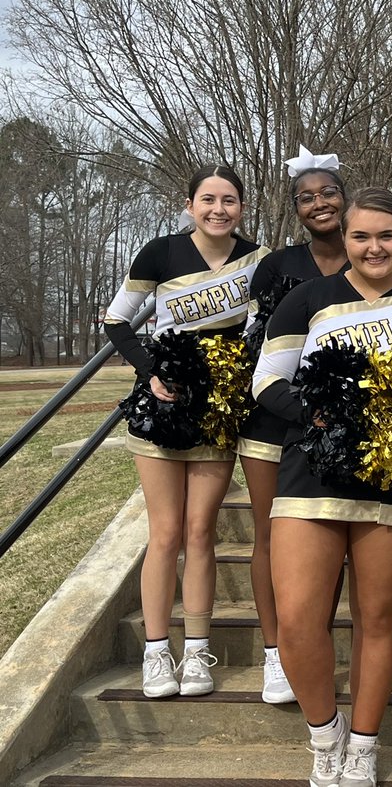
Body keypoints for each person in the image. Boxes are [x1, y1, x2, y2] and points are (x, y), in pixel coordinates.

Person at [253, 188, 392, 787]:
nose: (374, 247)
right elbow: (266, 382)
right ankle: (326, 736)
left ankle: (364, 747)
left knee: (377, 619)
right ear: (344, 240)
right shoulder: (306, 298)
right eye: (361, 236)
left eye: (387, 236)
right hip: (311, 474)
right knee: (297, 621)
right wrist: (318, 415)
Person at [104, 165, 268, 699]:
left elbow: (262, 327)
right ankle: (157, 653)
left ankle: (197, 651)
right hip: (162, 406)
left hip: (217, 410)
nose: (218, 209)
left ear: (242, 206)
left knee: (201, 532)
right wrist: (150, 370)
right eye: (208, 200)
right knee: (165, 533)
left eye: (229, 200)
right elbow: (117, 320)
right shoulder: (160, 252)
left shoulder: (257, 259)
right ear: (190, 203)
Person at [236, 147, 350, 705]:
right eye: (306, 198)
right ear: (296, 209)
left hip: (336, 429)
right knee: (268, 538)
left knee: (328, 540)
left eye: (328, 192)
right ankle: (277, 653)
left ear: (345, 198)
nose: (319, 203)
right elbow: (259, 347)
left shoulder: (369, 260)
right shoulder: (277, 265)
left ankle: (312, 642)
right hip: (272, 423)